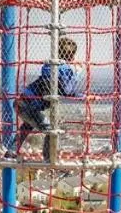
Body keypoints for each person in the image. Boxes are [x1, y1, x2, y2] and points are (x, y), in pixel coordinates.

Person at [10, 32, 80, 163]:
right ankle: (48, 158)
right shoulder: (65, 69)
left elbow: (64, 89)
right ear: (72, 56)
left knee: (28, 124)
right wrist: (76, 73)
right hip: (27, 105)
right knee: (50, 130)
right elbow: (67, 90)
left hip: (23, 103)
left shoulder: (51, 65)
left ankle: (11, 151)